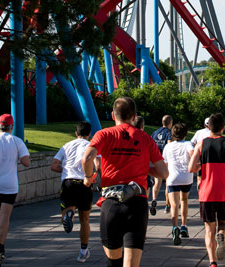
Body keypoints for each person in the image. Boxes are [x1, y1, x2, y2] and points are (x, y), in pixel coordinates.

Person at [82, 97, 168, 267]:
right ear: (135, 116)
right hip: (137, 204)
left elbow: (87, 158)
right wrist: (145, 169)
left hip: (111, 203)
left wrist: (88, 177)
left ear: (113, 115)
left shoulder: (104, 134)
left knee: (113, 263)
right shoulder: (145, 138)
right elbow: (164, 173)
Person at [188, 113, 225, 267]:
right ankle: (222, 235)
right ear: (223, 128)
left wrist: (203, 166)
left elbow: (191, 168)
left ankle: (212, 262)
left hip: (206, 192)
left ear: (208, 127)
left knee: (208, 229)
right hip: (224, 192)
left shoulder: (201, 144)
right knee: (224, 224)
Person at [51, 121, 99, 263]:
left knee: (67, 210)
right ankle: (83, 251)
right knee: (85, 219)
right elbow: (97, 165)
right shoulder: (91, 146)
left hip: (68, 182)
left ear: (76, 133)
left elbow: (53, 166)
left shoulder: (67, 146)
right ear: (90, 134)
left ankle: (69, 216)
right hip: (84, 182)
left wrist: (65, 170)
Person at [0, 114, 30, 265]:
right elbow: (26, 162)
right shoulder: (17, 142)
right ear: (12, 126)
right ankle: (0, 248)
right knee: (4, 217)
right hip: (9, 185)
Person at [162, 123, 194, 245]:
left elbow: (164, 162)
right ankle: (184, 225)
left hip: (172, 177)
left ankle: (175, 227)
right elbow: (193, 154)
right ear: (185, 133)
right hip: (186, 177)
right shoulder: (188, 144)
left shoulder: (168, 146)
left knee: (174, 204)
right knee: (184, 200)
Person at [151, 115, 173, 215]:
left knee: (157, 182)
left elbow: (151, 145)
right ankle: (167, 205)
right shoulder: (169, 133)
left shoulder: (155, 133)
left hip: (155, 160)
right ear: (170, 123)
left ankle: (154, 199)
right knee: (168, 183)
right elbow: (169, 144)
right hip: (165, 160)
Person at [132, 116, 155, 198]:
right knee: (146, 189)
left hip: (130, 171)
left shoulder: (128, 136)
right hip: (143, 171)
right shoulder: (147, 138)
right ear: (142, 126)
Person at [190, 117, 211, 190]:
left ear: (204, 125)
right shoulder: (215, 133)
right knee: (208, 177)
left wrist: (195, 151)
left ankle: (201, 195)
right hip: (210, 158)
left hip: (201, 157)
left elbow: (191, 143)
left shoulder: (199, 132)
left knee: (200, 178)